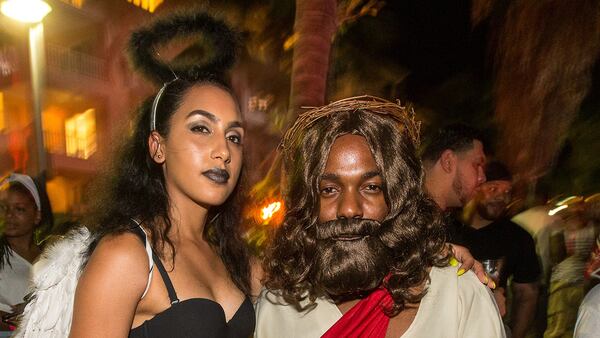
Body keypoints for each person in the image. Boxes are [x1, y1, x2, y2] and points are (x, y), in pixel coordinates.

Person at [15, 11, 258, 338]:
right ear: (158, 147)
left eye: (234, 137)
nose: (223, 151)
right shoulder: (126, 254)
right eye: (201, 128)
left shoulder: (232, 256)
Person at [255, 96, 505, 338]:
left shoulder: (458, 294)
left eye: (371, 187)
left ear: (395, 198)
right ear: (308, 203)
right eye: (329, 190)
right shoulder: (280, 306)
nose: (349, 209)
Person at [454, 161, 540, 338]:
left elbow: (527, 294)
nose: (502, 197)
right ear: (475, 188)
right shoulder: (446, 227)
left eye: (507, 192)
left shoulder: (518, 237)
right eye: (494, 189)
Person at [0, 174, 43, 329]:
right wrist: (11, 321)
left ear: (37, 215)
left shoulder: (52, 258)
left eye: (19, 209)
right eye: (3, 207)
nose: (9, 215)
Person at [421, 124, 487, 211]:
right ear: (448, 161)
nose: (483, 178)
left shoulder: (419, 215)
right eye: (477, 164)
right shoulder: (405, 217)